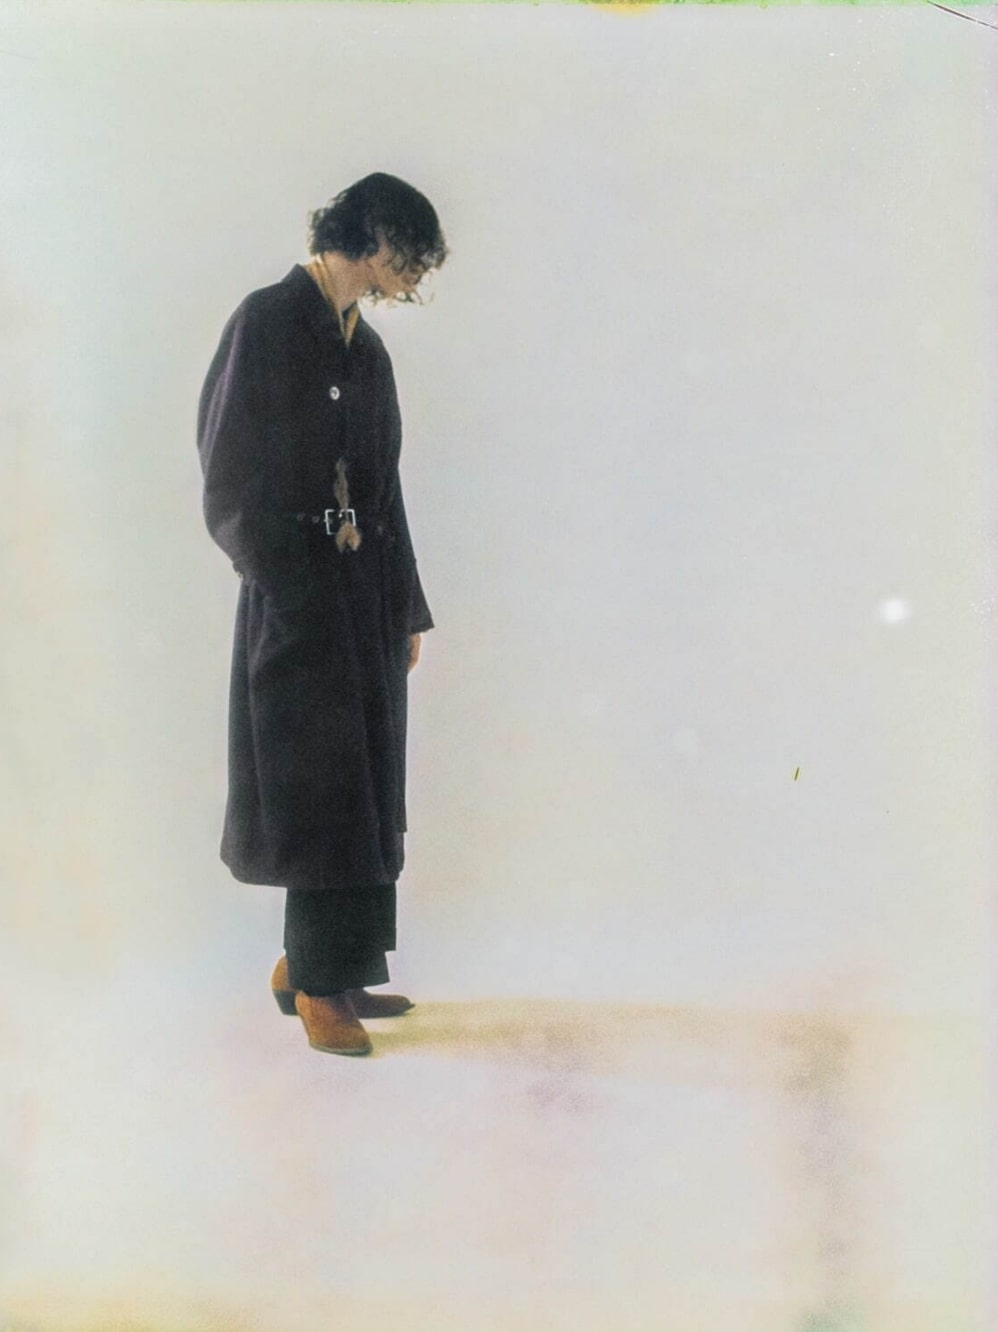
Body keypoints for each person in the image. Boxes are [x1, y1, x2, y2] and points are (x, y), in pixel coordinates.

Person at [197, 173, 446, 1055]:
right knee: (318, 791)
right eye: (411, 253)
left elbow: (386, 490)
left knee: (366, 786)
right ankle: (315, 985)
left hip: (364, 601)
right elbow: (227, 478)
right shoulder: (267, 322)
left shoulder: (366, 350)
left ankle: (331, 967)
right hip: (299, 601)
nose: (416, 274)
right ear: (372, 238)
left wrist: (405, 608)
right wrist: (288, 586)